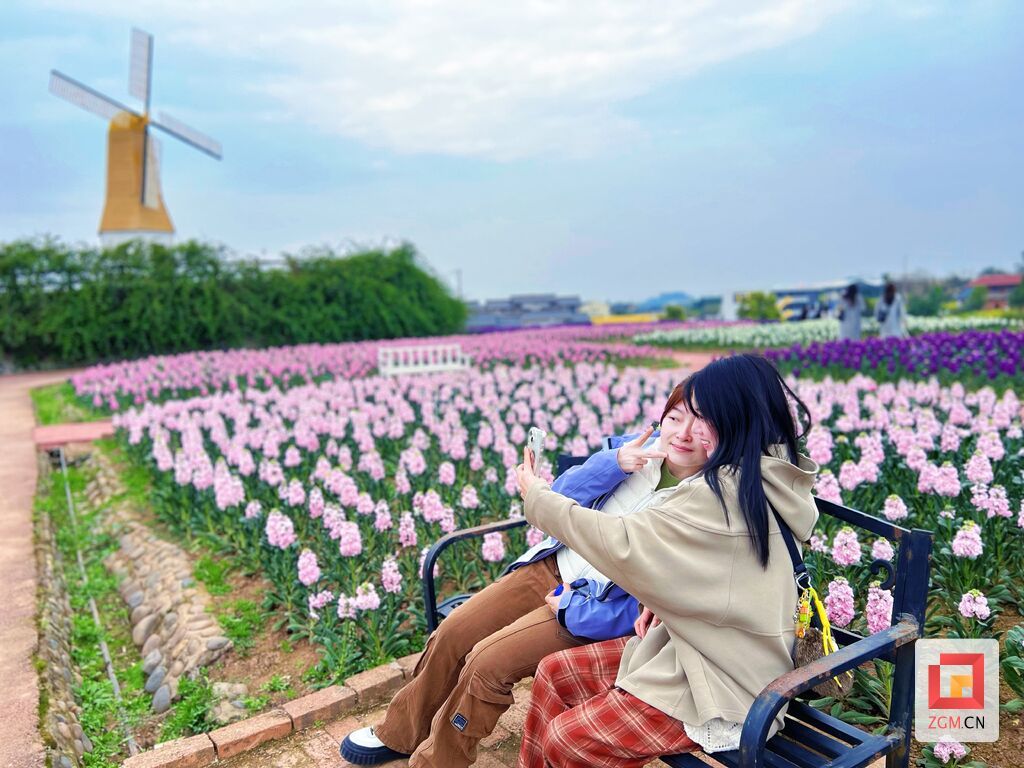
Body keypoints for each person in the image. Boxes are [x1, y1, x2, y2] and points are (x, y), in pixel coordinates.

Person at [340, 385, 708, 767]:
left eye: (698, 425)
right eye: (675, 418)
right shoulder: (637, 450)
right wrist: (613, 462)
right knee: (452, 633)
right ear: (661, 419)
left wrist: (572, 609)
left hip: (588, 607)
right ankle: (400, 733)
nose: (682, 434)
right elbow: (557, 497)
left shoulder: (706, 502)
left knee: (486, 664)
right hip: (549, 566)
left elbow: (653, 597)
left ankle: (439, 761)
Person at [514, 354, 819, 768]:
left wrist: (537, 496)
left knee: (570, 742)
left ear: (739, 418)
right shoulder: (771, 472)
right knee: (554, 674)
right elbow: (723, 566)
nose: (690, 432)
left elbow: (620, 543)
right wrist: (659, 602)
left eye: (708, 418)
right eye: (683, 417)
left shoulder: (719, 492)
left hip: (723, 683)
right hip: (702, 642)